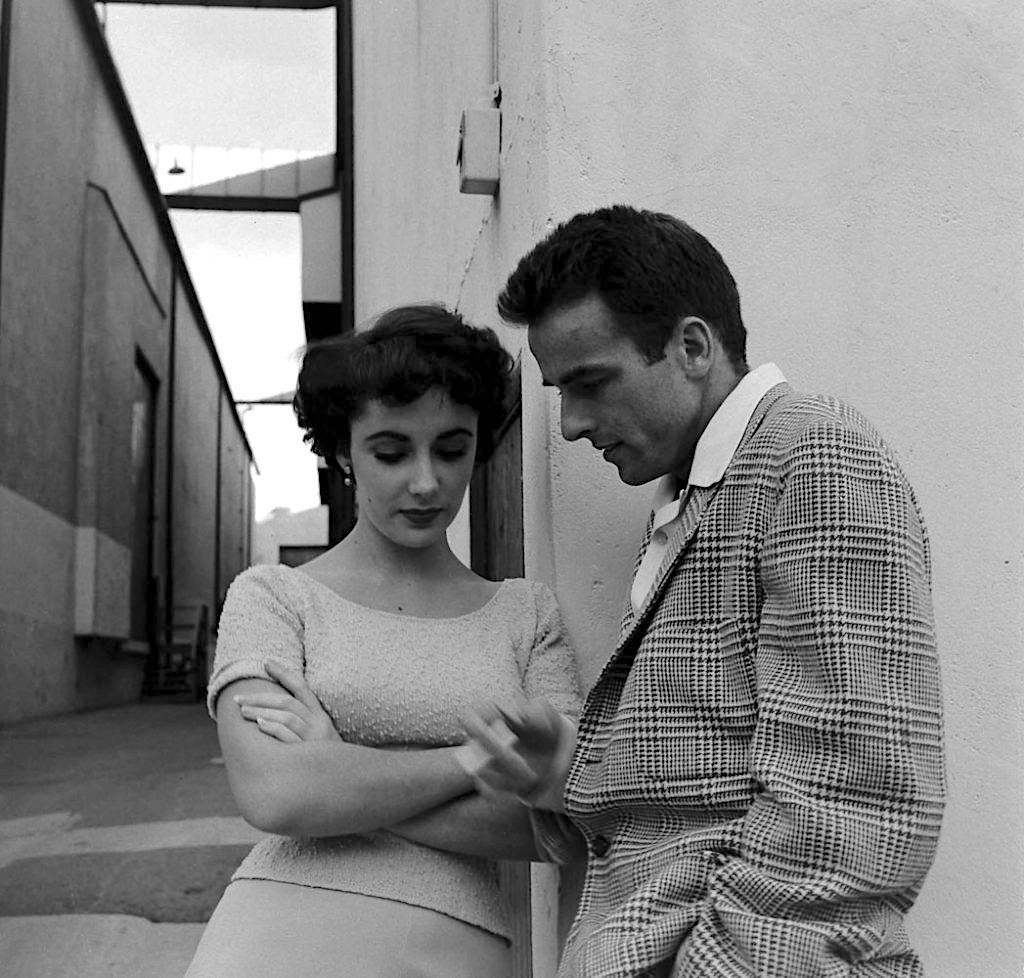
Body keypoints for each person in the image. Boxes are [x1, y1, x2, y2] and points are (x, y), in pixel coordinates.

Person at [460, 206, 945, 978]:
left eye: (590, 384)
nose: (572, 424)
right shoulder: (695, 496)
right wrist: (577, 773)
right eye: (559, 391)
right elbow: (704, 793)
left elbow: (854, 817)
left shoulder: (812, 456)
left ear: (692, 345)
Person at [184, 304, 581, 978]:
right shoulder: (273, 596)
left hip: (456, 946)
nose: (425, 482)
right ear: (343, 450)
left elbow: (562, 826)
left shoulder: (526, 615)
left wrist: (340, 766)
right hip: (274, 933)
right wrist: (476, 763)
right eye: (391, 452)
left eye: (452, 449)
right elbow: (277, 796)